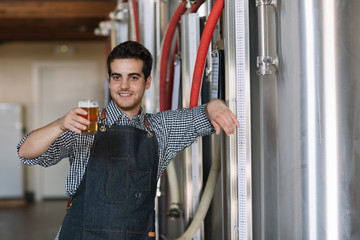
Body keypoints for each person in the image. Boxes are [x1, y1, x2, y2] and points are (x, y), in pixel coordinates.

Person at [17, 40, 239, 239]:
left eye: (133, 78)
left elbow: (202, 116)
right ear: (109, 80)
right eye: (117, 77)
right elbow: (25, 151)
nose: (124, 86)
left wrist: (215, 105)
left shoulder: (161, 128)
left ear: (147, 82)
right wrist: (59, 124)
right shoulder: (84, 125)